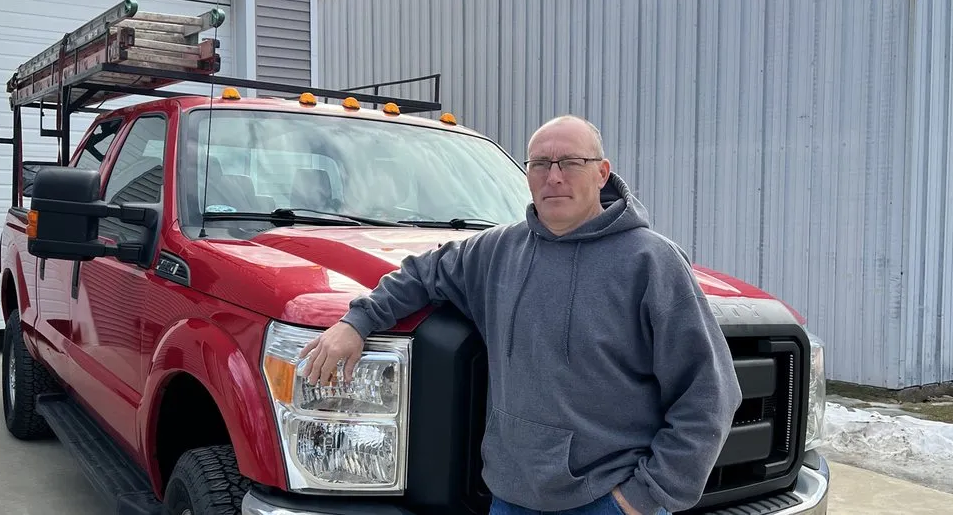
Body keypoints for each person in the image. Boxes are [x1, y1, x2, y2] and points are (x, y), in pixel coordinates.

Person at [299, 115, 743, 515]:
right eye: (540, 164)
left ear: (602, 173)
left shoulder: (651, 263)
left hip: (606, 499)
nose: (554, 176)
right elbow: (422, 273)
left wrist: (645, 497)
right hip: (509, 499)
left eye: (571, 162)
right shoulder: (496, 251)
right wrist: (356, 322)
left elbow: (710, 393)